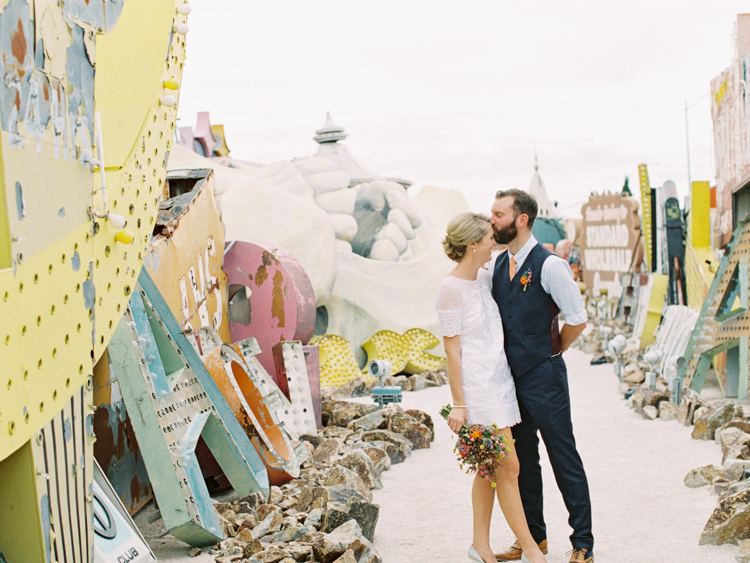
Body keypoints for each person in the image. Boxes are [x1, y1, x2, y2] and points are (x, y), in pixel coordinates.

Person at [436, 212, 547, 563]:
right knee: (508, 468)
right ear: (472, 245)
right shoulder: (449, 289)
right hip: (478, 390)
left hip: (500, 383)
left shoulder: (484, 279)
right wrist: (458, 403)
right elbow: (452, 349)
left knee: (488, 469)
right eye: (488, 238)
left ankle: (479, 546)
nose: (493, 242)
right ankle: (531, 548)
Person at [489, 189, 593, 563]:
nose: (492, 220)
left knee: (563, 457)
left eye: (498, 214)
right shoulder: (498, 266)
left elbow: (577, 319)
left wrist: (553, 352)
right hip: (509, 381)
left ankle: (583, 542)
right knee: (523, 462)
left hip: (545, 377)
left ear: (522, 220)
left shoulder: (550, 265)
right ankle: (534, 538)